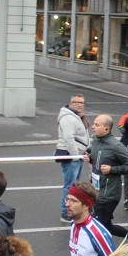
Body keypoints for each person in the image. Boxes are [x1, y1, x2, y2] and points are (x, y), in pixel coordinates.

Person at [84, 114, 128, 242]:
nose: (92, 127)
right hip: (97, 191)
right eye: (94, 124)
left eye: (97, 125)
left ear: (106, 129)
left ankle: (103, 254)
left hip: (108, 195)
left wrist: (113, 169)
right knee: (106, 226)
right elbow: (95, 154)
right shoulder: (96, 141)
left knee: (98, 227)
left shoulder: (116, 146)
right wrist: (89, 157)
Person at [60, 182, 115, 256]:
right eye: (67, 199)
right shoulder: (73, 223)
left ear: (86, 206)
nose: (67, 204)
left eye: (73, 201)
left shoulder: (97, 233)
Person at [57, 94, 90, 223]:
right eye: (77, 102)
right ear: (71, 104)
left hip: (77, 155)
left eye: (82, 102)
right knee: (69, 186)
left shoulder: (77, 117)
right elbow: (68, 138)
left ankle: (71, 211)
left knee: (74, 185)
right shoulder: (68, 118)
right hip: (71, 156)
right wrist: (76, 155)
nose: (80, 105)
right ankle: (65, 213)